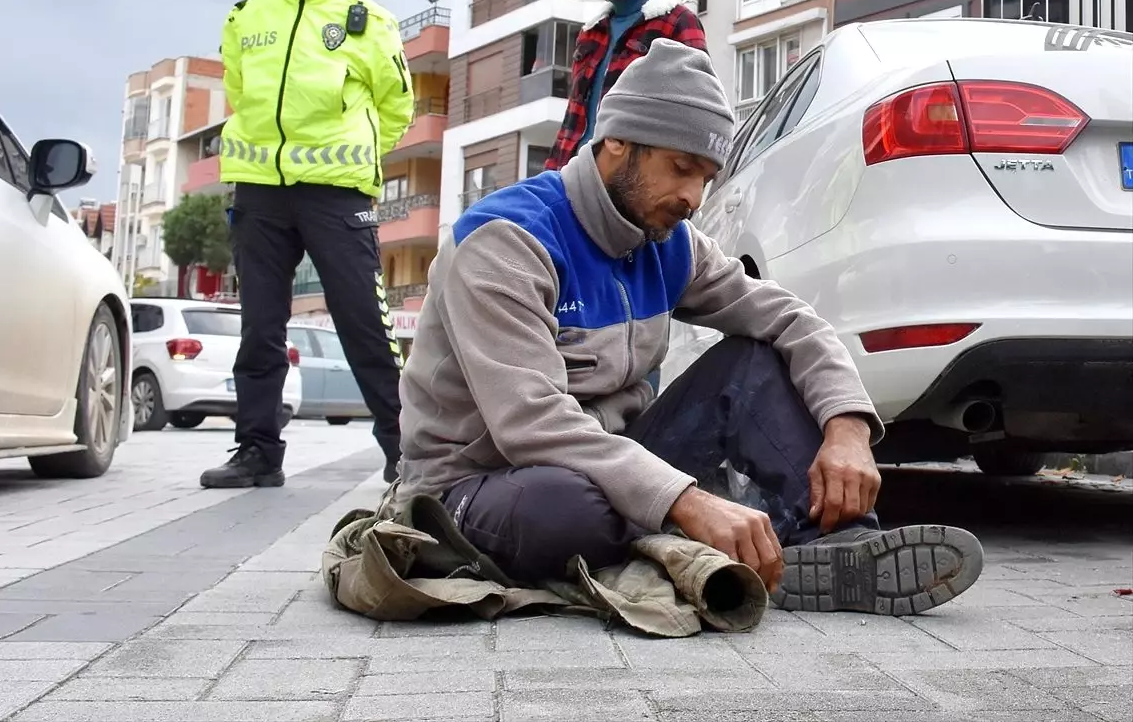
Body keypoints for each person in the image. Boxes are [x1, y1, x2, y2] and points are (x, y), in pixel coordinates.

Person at [395, 38, 984, 614]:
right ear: (617, 142)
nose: (692, 197)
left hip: (609, 464)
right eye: (680, 168)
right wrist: (685, 498)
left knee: (754, 360)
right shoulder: (508, 241)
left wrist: (848, 427)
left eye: (705, 177)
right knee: (567, 509)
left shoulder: (670, 244)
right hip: (477, 482)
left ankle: (837, 544)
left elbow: (791, 319)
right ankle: (694, 536)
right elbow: (530, 424)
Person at [200, 0, 412, 489]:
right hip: (261, 190)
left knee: (365, 323)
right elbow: (239, 95)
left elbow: (398, 105)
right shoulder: (247, 14)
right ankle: (257, 452)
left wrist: (357, 151)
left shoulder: (366, 18)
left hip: (337, 194)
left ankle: (405, 451)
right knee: (259, 327)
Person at [544, 0, 708, 173]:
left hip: (632, 181)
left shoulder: (677, 22)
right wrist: (551, 174)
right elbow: (573, 119)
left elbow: (696, 113)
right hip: (574, 176)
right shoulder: (591, 33)